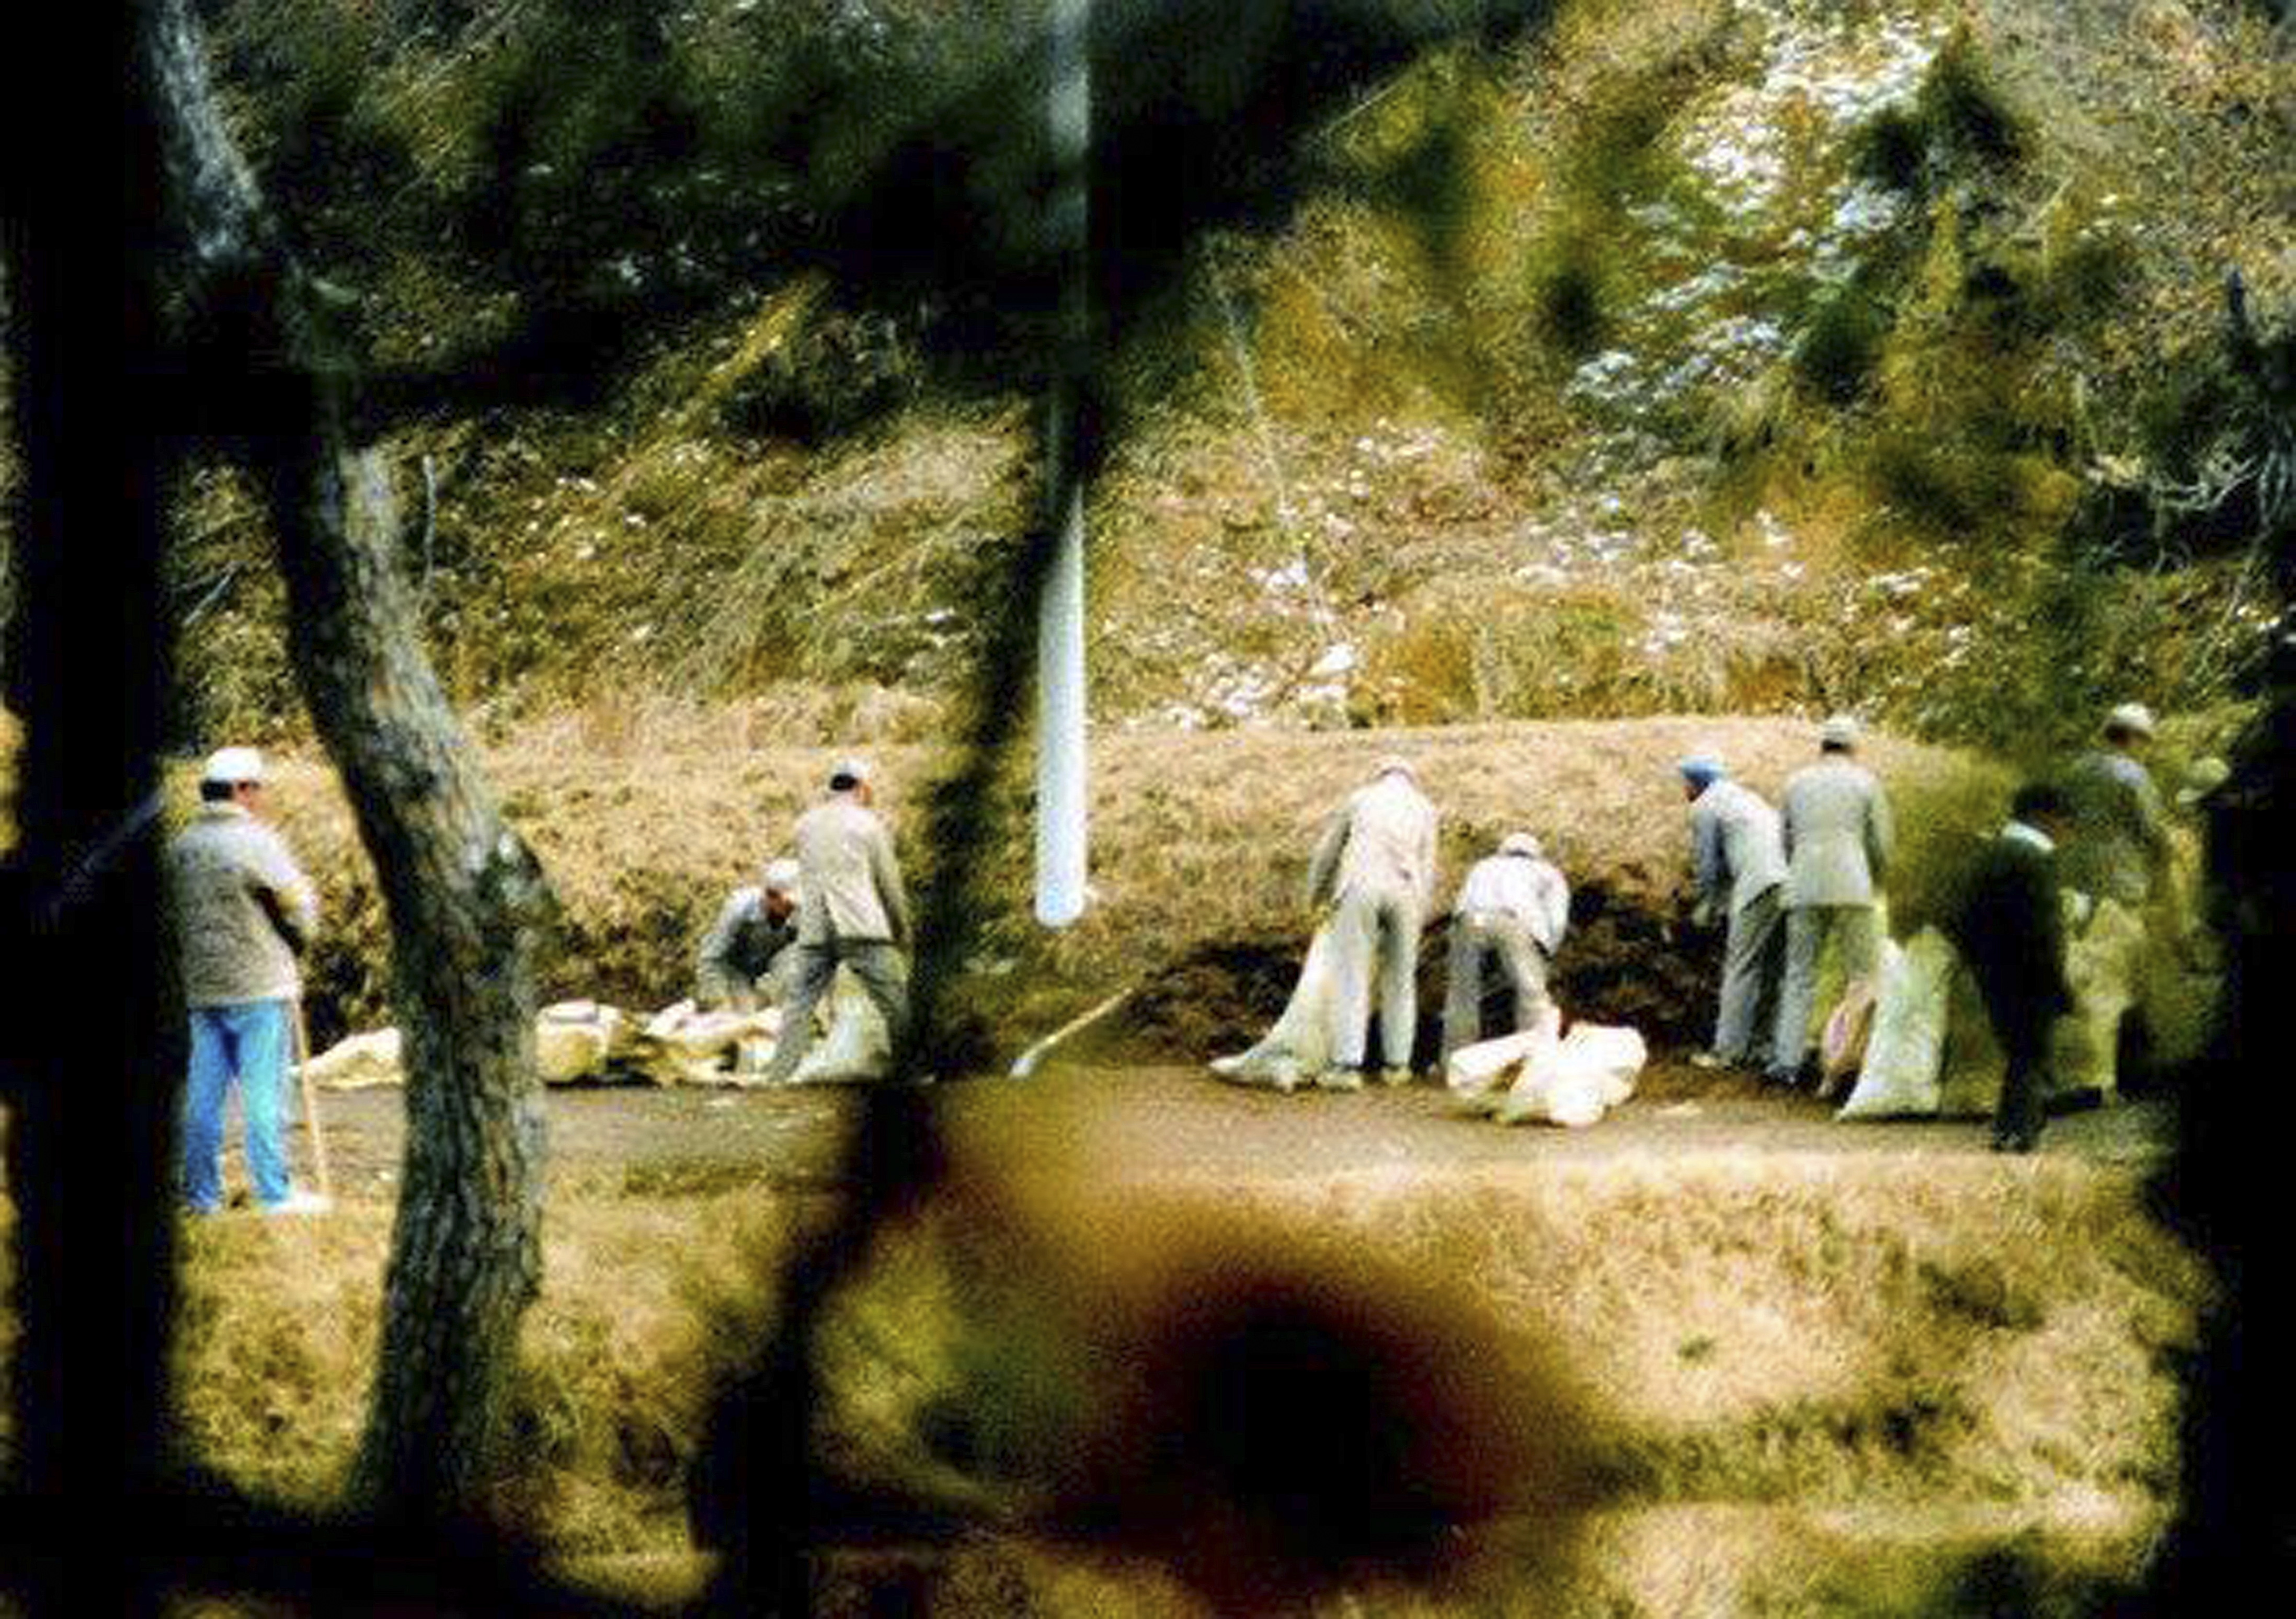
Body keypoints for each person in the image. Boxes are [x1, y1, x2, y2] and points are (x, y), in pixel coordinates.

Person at [167, 746, 326, 1214]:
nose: (261, 798)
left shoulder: (182, 847)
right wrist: (302, 941)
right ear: (241, 789)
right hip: (259, 986)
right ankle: (275, 1195)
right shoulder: (256, 841)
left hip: (202, 987)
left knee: (202, 1094)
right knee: (264, 1093)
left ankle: (200, 1195)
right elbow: (298, 907)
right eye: (257, 788)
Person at [758, 758, 913, 1085]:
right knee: (894, 1000)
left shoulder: (804, 825)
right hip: (860, 925)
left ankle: (777, 1077)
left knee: (799, 1006)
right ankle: (908, 1074)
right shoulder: (868, 824)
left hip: (815, 927)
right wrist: (901, 931)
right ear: (862, 787)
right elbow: (889, 884)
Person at [1948, 782, 2076, 1154]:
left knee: (2019, 1049)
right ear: (2044, 817)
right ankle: (2018, 1130)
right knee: (2030, 1052)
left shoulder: (1988, 853)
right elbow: (2046, 932)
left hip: (1990, 967)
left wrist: (1977, 958)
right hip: (2031, 971)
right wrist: (2058, 982)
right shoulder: (2036, 860)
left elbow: (1961, 916)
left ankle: (2010, 1126)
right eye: (2065, 821)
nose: (2067, 831)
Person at [1771, 715, 1894, 1088]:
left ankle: (1786, 1064)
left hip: (1803, 884)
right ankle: (1853, 1061)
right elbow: (1880, 842)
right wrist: (1875, 878)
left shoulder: (1795, 782)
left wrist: (1798, 869)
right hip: (1852, 884)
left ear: (1821, 745)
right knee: (1861, 975)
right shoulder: (1865, 782)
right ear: (1854, 746)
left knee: (1799, 975)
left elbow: (1784, 838)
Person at [1304, 755, 1440, 1088]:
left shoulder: (1361, 799)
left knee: (1351, 974)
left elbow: (1328, 851)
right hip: (1406, 893)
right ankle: (1397, 1066)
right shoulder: (1425, 808)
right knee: (1400, 979)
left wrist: (1316, 895)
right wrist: (1421, 907)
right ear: (1411, 778)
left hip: (1360, 887)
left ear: (1380, 775)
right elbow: (1429, 864)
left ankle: (1346, 1066)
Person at [1678, 753, 1788, 1073]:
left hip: (1759, 884)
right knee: (1773, 971)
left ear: (1695, 782)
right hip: (1790, 881)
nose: (1682, 788)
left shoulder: (1705, 806)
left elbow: (1709, 867)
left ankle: (1726, 1052)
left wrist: (1706, 907)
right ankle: (1764, 1047)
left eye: (1684, 782)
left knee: (1741, 968)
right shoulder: (1748, 799)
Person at [1438, 831, 1569, 1067]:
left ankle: (1455, 1063)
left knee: (1462, 995)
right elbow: (1557, 918)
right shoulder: (1547, 872)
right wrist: (1548, 950)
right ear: (1536, 854)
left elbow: (1461, 901)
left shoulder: (1483, 866)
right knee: (1531, 993)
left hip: (1467, 920)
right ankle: (1533, 1060)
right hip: (1513, 921)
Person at [2058, 702, 2175, 909]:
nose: (2147, 749)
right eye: (2146, 742)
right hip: (2119, 884)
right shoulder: (2135, 776)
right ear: (2135, 738)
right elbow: (2151, 830)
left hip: (2073, 877)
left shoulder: (2076, 768)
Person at [695, 858, 801, 1012]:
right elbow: (712, 958)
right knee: (742, 1015)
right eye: (788, 903)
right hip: (735, 971)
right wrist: (718, 999)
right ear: (771, 895)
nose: (793, 908)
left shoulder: (800, 912)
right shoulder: (739, 908)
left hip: (772, 973)